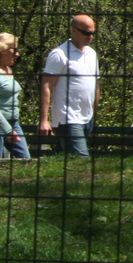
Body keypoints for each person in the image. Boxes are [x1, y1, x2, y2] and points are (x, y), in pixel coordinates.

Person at [38, 13, 100, 158]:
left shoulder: (92, 54)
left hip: (86, 117)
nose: (90, 36)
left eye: (92, 33)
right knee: (81, 159)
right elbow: (46, 86)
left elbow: (96, 85)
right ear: (73, 30)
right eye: (86, 33)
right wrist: (44, 120)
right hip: (68, 118)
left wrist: (93, 111)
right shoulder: (60, 54)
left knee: (62, 158)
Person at [0, 33, 30, 160]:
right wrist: (8, 131)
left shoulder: (8, 70)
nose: (17, 54)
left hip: (13, 121)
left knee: (26, 159)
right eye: (14, 49)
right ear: (1, 50)